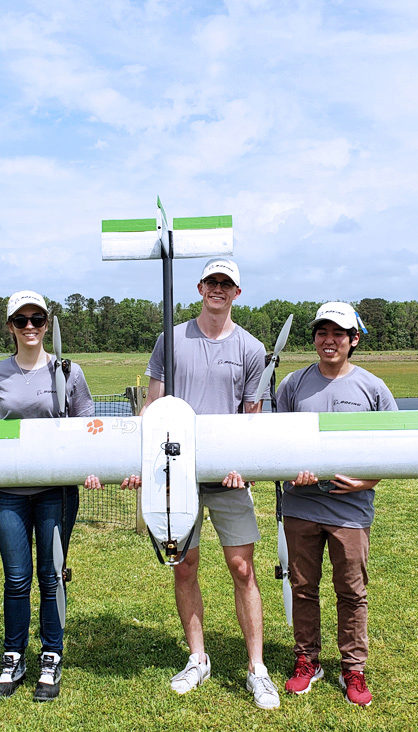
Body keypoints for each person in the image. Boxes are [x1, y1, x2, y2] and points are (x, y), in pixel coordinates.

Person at [125, 258, 280, 710]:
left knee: (243, 569)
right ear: (198, 288)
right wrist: (140, 461)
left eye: (226, 284)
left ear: (236, 293)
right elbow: (152, 408)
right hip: (176, 476)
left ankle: (257, 668)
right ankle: (197, 658)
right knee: (185, 566)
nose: (217, 289)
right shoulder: (170, 339)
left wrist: (243, 464)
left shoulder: (252, 348)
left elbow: (251, 417)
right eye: (211, 282)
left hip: (228, 478)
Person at [0, 290, 101, 703]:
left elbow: (85, 429)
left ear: (46, 322)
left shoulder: (69, 371)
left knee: (52, 575)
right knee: (17, 578)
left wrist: (91, 469)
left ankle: (51, 655)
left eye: (37, 319)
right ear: (10, 328)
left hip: (55, 494)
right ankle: (14, 655)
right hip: (8, 495)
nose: (30, 327)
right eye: (21, 321)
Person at [275, 301, 396, 707]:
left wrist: (366, 481)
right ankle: (307, 660)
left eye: (338, 334)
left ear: (353, 340)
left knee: (352, 591)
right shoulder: (293, 384)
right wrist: (292, 471)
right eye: (322, 333)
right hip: (301, 507)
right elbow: (275, 442)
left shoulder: (372, 388)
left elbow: (394, 447)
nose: (329, 341)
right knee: (303, 588)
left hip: (351, 510)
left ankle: (353, 669)